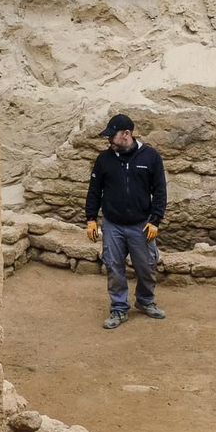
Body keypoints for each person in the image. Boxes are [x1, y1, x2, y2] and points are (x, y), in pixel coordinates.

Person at [84, 113, 167, 330]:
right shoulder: (104, 159)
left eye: (112, 136)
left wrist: (155, 220)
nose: (109, 140)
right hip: (113, 224)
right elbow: (94, 191)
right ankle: (119, 308)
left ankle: (145, 301)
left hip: (141, 224)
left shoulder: (150, 157)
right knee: (113, 266)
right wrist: (91, 219)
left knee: (147, 266)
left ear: (126, 134)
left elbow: (160, 190)